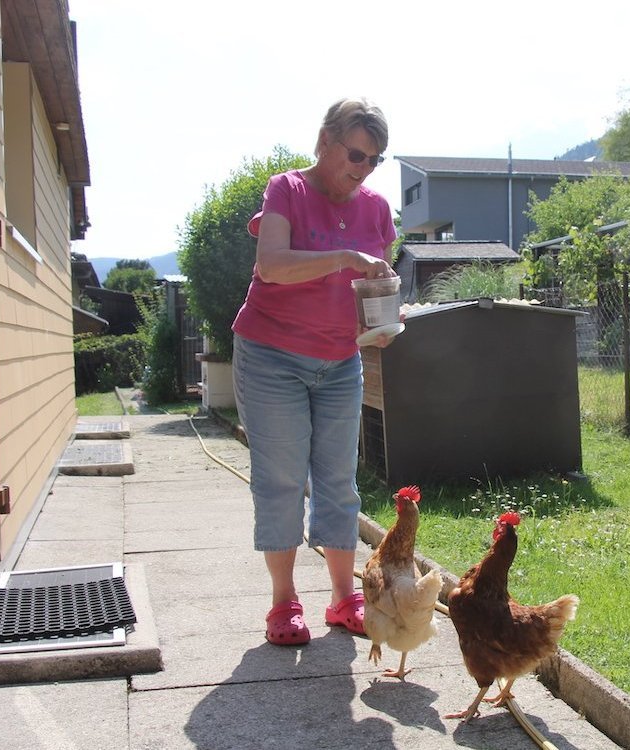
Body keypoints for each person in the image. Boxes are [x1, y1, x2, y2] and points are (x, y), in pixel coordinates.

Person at [231, 97, 398, 646]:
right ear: (325, 141)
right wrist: (346, 257)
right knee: (281, 481)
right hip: (271, 356)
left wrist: (384, 310)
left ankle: (344, 600)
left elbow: (376, 277)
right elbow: (272, 266)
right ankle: (284, 604)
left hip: (340, 360)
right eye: (354, 154)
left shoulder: (375, 208)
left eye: (374, 160)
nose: (362, 168)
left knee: (338, 482)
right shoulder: (287, 190)